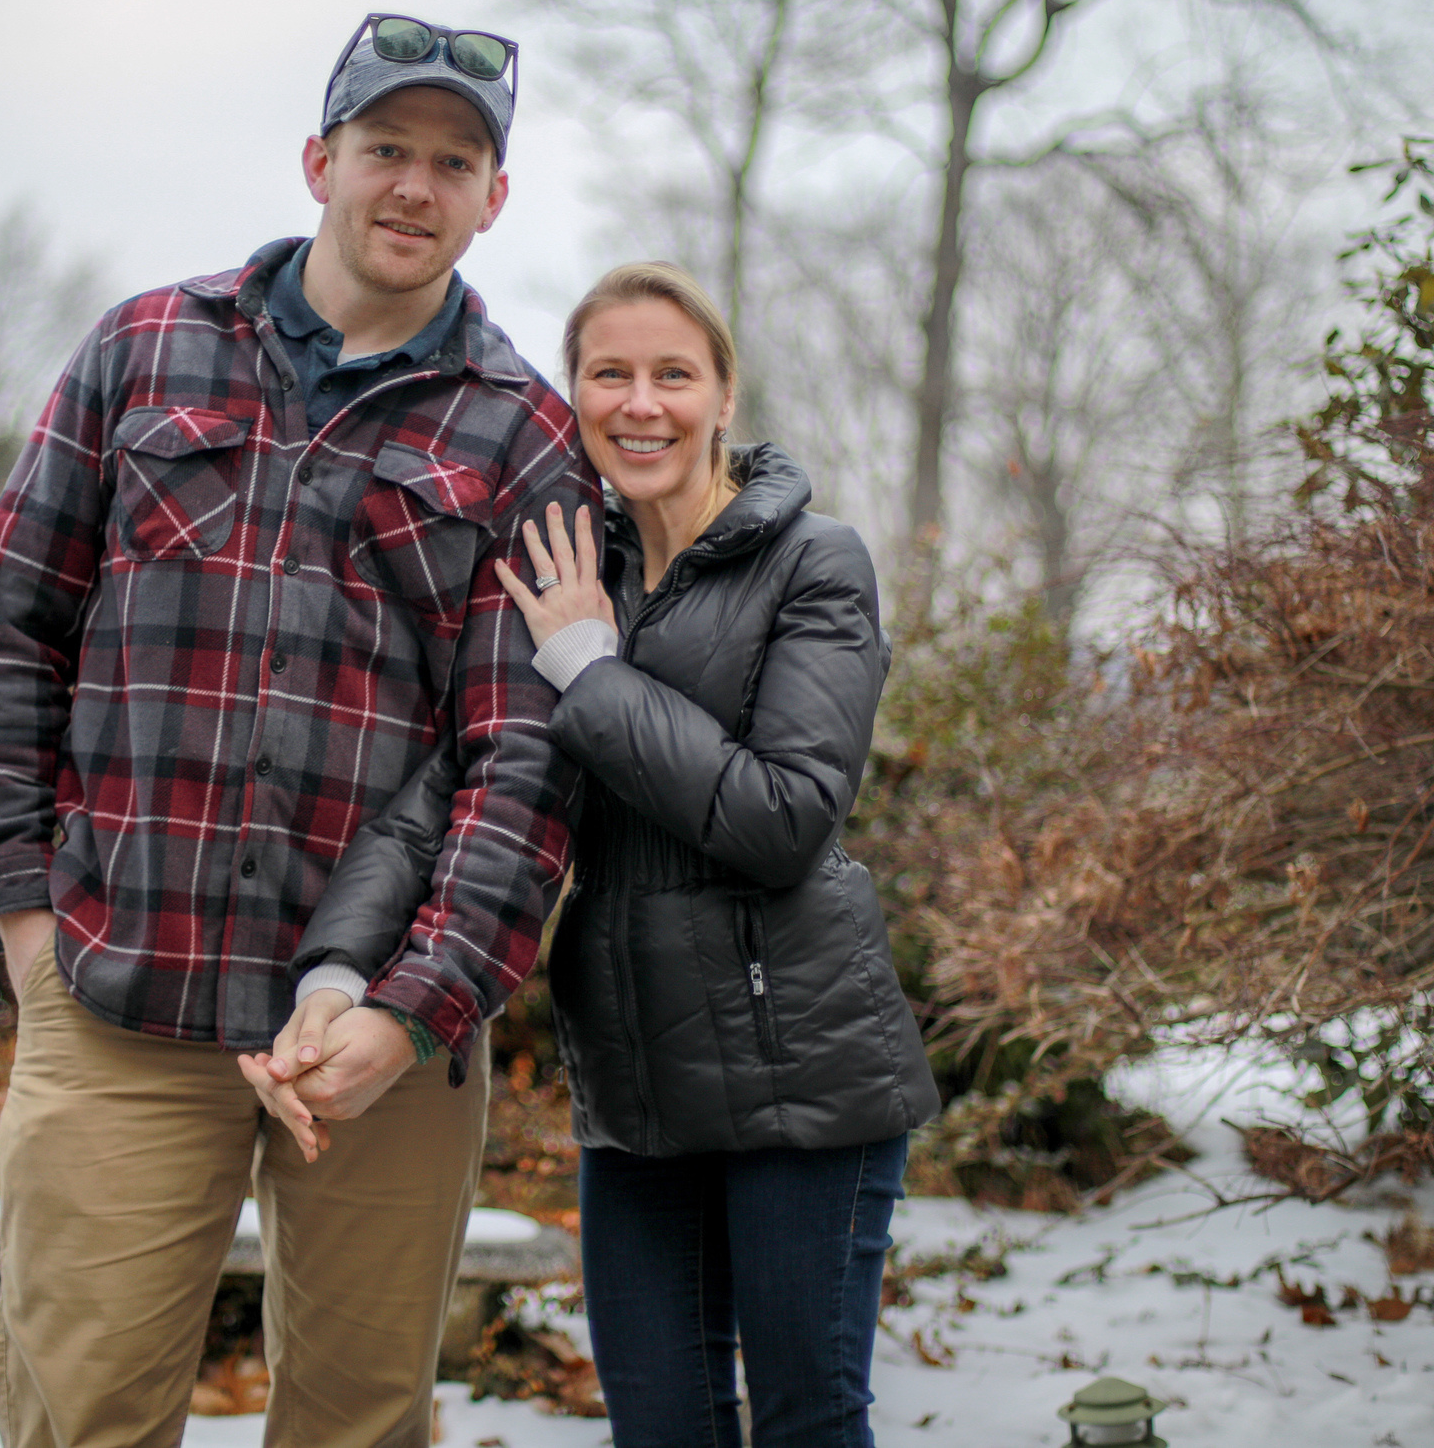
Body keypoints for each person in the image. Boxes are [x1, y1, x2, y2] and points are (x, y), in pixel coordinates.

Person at [0, 12, 595, 1448]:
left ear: (497, 197)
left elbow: (524, 756)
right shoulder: (145, 351)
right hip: (121, 994)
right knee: (80, 1412)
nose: (415, 187)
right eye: (386, 150)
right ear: (320, 160)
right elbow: (8, 630)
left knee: (359, 1424)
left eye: (455, 161)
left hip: (374, 1029)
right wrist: (26, 913)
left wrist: (419, 1002)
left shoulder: (524, 434)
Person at [252, 261, 938, 1448]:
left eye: (673, 373)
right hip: (636, 1090)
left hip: (805, 1081)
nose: (640, 402)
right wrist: (334, 971)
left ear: (724, 396)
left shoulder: (813, 563)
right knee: (659, 1429)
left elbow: (783, 820)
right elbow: (449, 796)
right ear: (571, 399)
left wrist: (592, 673)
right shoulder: (565, 572)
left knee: (806, 1422)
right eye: (607, 373)